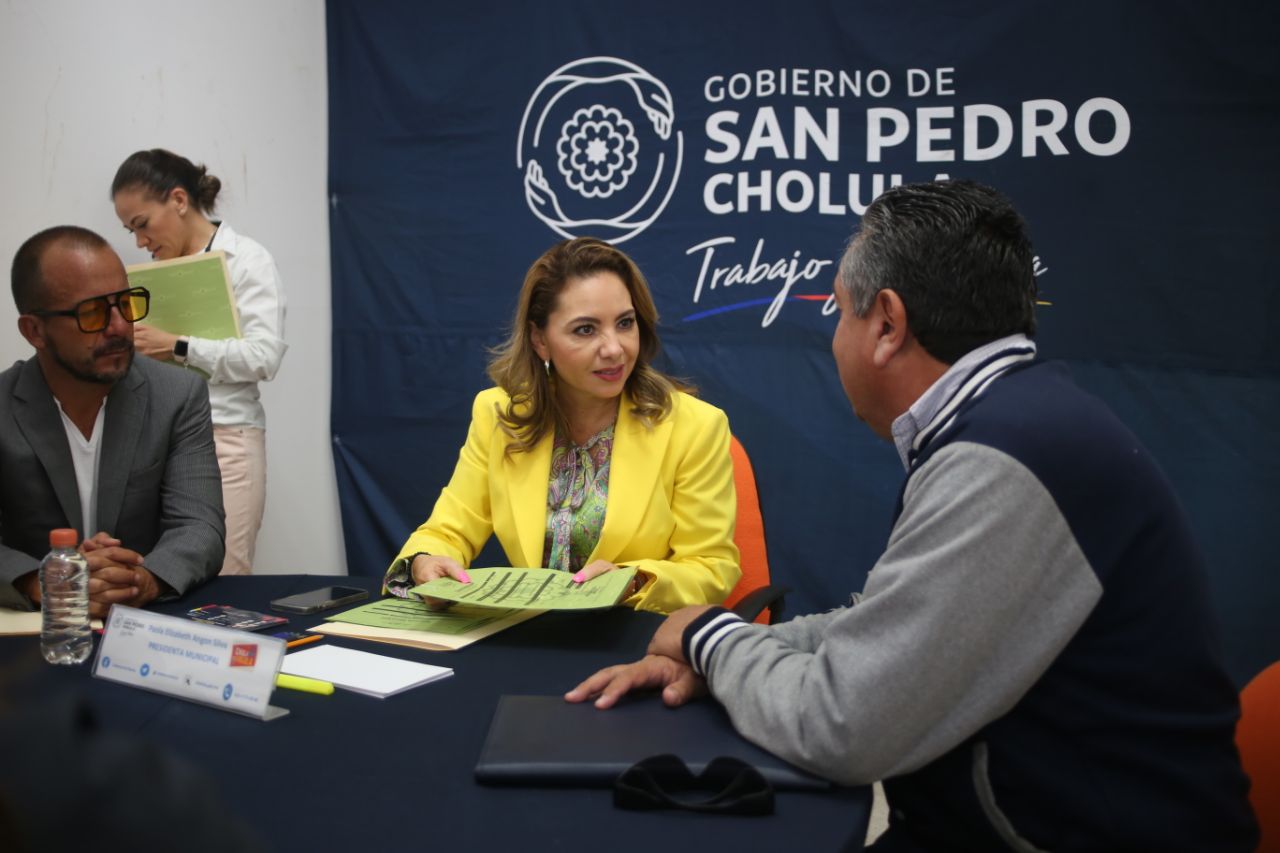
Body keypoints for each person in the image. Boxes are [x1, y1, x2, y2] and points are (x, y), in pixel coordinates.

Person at [567, 181, 1258, 850]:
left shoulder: (1005, 459)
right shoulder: (1021, 422)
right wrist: (723, 654)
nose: (834, 335)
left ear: (888, 325)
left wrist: (708, 634)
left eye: (840, 312)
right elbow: (892, 632)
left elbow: (840, 724)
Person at [387, 237, 740, 615]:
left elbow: (711, 567)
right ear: (540, 340)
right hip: (528, 633)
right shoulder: (499, 415)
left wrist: (635, 580)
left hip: (635, 634)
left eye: (625, 323)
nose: (614, 348)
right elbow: (448, 530)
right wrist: (425, 561)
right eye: (586, 330)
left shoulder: (695, 426)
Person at [1, 226, 224, 615]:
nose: (120, 326)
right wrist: (46, 582)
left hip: (142, 623)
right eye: (92, 313)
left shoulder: (177, 395)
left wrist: (142, 580)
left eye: (126, 303)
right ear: (35, 330)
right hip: (37, 628)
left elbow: (199, 527)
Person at [111, 149, 286, 576]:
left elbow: (264, 357)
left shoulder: (247, 259)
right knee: (157, 575)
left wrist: (177, 346)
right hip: (158, 440)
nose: (140, 242)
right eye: (131, 231)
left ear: (178, 200)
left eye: (142, 224)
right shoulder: (150, 275)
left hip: (226, 436)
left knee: (224, 576)